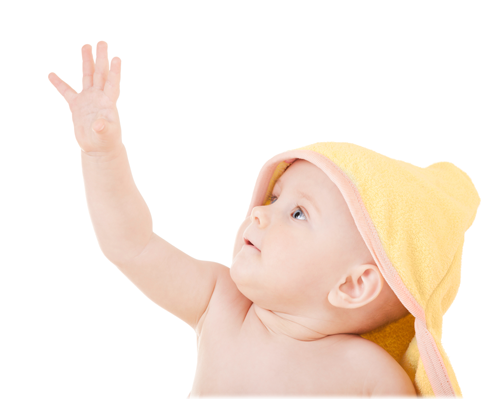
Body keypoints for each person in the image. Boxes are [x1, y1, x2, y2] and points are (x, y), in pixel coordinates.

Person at [49, 41, 480, 399]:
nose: (258, 211)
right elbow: (132, 245)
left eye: (297, 212)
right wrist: (102, 154)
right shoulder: (221, 304)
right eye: (274, 197)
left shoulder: (371, 376)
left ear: (352, 285)